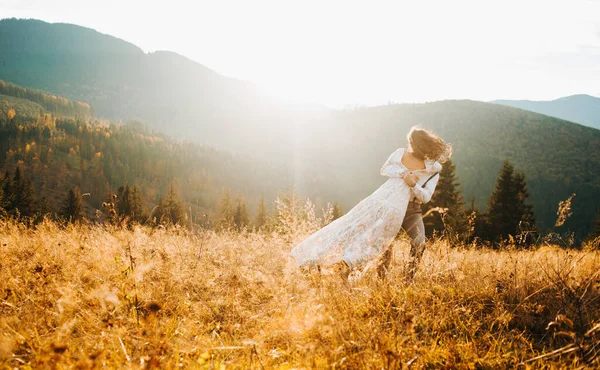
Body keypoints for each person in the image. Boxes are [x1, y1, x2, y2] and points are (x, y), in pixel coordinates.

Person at [290, 126, 451, 278]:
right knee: (379, 243)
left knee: (419, 243)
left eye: (413, 144)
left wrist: (413, 184)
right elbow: (385, 169)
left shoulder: (432, 170)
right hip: (387, 205)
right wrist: (403, 173)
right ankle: (375, 277)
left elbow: (426, 196)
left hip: (411, 211)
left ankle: (408, 279)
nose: (411, 146)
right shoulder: (399, 154)